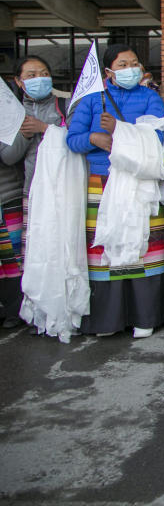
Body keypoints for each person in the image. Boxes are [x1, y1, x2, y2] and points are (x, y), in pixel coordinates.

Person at [66, 43, 164, 337]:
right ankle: (107, 321)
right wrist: (95, 139)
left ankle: (144, 318)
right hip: (102, 182)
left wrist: (119, 131)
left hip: (140, 182)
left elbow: (157, 134)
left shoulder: (150, 97)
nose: (129, 69)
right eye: (122, 65)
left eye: (134, 63)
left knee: (144, 248)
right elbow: (73, 141)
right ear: (108, 71)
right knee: (105, 249)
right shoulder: (90, 100)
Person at [0, 55, 67, 328]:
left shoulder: (63, 105)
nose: (38, 78)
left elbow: (77, 137)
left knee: (57, 250)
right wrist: (24, 134)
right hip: (32, 191)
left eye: (43, 72)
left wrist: (45, 129)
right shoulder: (12, 112)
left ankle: (60, 308)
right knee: (29, 256)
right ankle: (32, 310)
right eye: (30, 74)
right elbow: (9, 156)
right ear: (18, 81)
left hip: (61, 189)